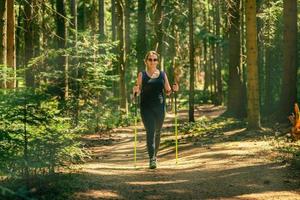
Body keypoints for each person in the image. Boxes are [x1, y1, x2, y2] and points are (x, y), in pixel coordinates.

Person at [133, 50, 179, 169]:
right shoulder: (141, 75)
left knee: (158, 132)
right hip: (146, 108)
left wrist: (174, 89)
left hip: (159, 107)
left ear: (157, 61)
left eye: (155, 59)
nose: (152, 62)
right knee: (150, 132)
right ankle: (152, 159)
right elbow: (137, 91)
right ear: (146, 61)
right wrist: (135, 91)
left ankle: (155, 155)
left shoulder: (163, 75)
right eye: (150, 59)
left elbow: (168, 91)